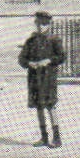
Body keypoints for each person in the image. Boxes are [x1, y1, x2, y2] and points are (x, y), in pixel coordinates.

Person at [18, 11, 66, 148]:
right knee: (39, 107)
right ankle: (44, 137)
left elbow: (61, 57)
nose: (41, 27)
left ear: (49, 25)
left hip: (48, 77)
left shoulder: (54, 39)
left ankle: (56, 138)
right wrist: (29, 63)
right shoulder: (31, 40)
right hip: (35, 78)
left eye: (44, 24)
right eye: (38, 24)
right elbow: (22, 59)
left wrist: (49, 60)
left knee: (50, 105)